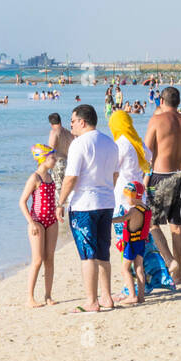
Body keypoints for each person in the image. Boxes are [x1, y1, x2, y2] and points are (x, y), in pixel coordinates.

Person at [56, 104, 120, 312]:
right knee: (103, 252)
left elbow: (71, 177)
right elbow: (115, 174)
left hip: (85, 205)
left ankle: (92, 301)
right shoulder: (110, 143)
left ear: (82, 122)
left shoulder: (79, 144)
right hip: (106, 202)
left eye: (72, 121)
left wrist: (61, 202)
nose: (71, 125)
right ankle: (107, 297)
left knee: (88, 254)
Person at [142, 86, 181, 285]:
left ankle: (169, 260)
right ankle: (178, 275)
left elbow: (146, 152)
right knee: (178, 226)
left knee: (151, 222)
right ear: (178, 102)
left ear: (161, 102)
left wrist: (142, 178)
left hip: (162, 176)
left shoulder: (157, 120)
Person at [20, 149, 59, 307]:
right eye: (52, 158)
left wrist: (58, 211)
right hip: (37, 221)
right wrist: (31, 222)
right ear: (42, 159)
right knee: (37, 260)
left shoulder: (50, 177)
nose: (55, 160)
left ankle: (48, 296)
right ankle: (30, 297)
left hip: (52, 221)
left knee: (49, 259)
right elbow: (22, 202)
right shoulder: (34, 178)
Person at [116, 181, 151, 304]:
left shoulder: (133, 211)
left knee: (125, 269)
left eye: (128, 194)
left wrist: (107, 220)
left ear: (136, 195)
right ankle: (141, 297)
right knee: (139, 268)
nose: (126, 197)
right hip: (141, 242)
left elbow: (122, 219)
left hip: (131, 244)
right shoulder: (146, 208)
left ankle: (132, 295)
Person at [46, 113, 71, 192]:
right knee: (66, 188)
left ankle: (59, 204)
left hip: (58, 163)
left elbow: (51, 148)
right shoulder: (68, 132)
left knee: (58, 189)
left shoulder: (54, 132)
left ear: (51, 124)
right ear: (60, 121)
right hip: (67, 162)